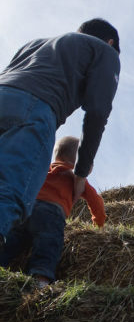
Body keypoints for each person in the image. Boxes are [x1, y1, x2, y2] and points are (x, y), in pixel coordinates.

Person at [0, 18, 119, 250]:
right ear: (110, 41)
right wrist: (81, 173)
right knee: (12, 189)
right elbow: (97, 112)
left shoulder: (34, 44)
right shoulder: (105, 51)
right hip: (34, 109)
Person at [0, 136, 105, 288]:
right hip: (52, 213)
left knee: (11, 241)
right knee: (48, 243)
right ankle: (41, 278)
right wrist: (99, 223)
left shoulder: (43, 170)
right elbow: (96, 202)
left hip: (26, 210)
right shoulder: (75, 177)